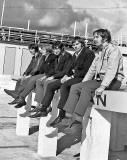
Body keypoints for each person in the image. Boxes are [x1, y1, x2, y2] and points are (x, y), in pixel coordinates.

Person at [55, 28, 124, 134]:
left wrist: (103, 86)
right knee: (75, 87)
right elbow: (92, 70)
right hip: (101, 80)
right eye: (94, 37)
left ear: (104, 38)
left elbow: (111, 70)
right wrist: (82, 83)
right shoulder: (100, 52)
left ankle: (78, 122)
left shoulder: (113, 50)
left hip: (114, 81)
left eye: (97, 37)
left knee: (86, 89)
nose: (94, 39)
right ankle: (67, 118)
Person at [30, 36, 95, 118]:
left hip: (82, 77)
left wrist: (71, 77)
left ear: (82, 44)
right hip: (73, 76)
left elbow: (86, 70)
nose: (75, 46)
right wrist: (66, 75)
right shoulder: (75, 54)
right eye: (74, 45)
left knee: (65, 85)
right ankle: (43, 109)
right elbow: (70, 69)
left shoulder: (88, 53)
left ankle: (61, 114)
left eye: (77, 44)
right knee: (51, 86)